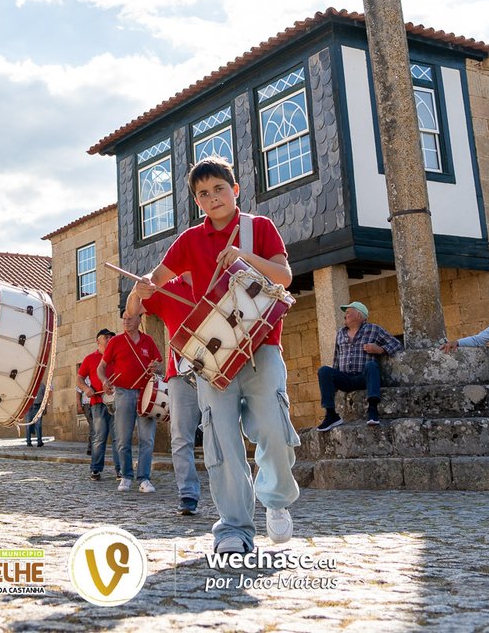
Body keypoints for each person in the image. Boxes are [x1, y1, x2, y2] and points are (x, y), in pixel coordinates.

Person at [130, 157, 300, 553]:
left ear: (235, 189)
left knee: (274, 429)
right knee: (222, 443)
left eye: (219, 189)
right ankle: (234, 529)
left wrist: (244, 257)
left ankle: (275, 501)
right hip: (212, 358)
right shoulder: (189, 240)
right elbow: (157, 278)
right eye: (203, 194)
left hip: (262, 346)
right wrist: (146, 287)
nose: (212, 198)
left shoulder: (259, 228)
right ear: (197, 201)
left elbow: (284, 276)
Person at [125, 276, 203, 514]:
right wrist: (137, 290)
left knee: (222, 434)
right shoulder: (169, 288)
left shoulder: (213, 279)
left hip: (218, 369)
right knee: (180, 437)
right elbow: (133, 309)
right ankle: (188, 493)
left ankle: (231, 495)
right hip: (180, 373)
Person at [99, 311, 163, 494]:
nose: (125, 321)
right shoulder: (116, 342)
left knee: (147, 439)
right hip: (123, 392)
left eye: (129, 318)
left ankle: (144, 478)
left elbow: (159, 365)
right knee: (122, 438)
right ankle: (126, 476)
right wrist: (104, 381)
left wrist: (156, 367)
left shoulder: (148, 341)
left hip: (146, 393)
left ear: (139, 320)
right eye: (124, 319)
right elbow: (101, 368)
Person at [316, 300, 403, 430]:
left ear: (359, 315)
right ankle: (331, 415)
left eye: (348, 313)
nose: (345, 316)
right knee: (324, 371)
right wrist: (333, 387)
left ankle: (372, 410)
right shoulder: (340, 333)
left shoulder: (374, 329)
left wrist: (379, 349)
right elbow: (336, 358)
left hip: (364, 377)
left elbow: (397, 344)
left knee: (372, 365)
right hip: (345, 378)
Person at [76, 329, 116, 480]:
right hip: (98, 403)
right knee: (99, 437)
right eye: (106, 337)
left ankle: (121, 471)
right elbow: (79, 379)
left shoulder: (117, 357)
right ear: (97, 341)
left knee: (118, 437)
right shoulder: (90, 358)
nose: (109, 339)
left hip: (117, 402)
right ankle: (95, 469)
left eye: (112, 337)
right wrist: (86, 389)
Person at [23, 382, 47, 447]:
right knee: (28, 425)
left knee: (38, 425)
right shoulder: (27, 385)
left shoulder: (42, 385)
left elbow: (45, 397)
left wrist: (45, 408)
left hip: (38, 407)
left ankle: (39, 441)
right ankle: (28, 442)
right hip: (29, 408)